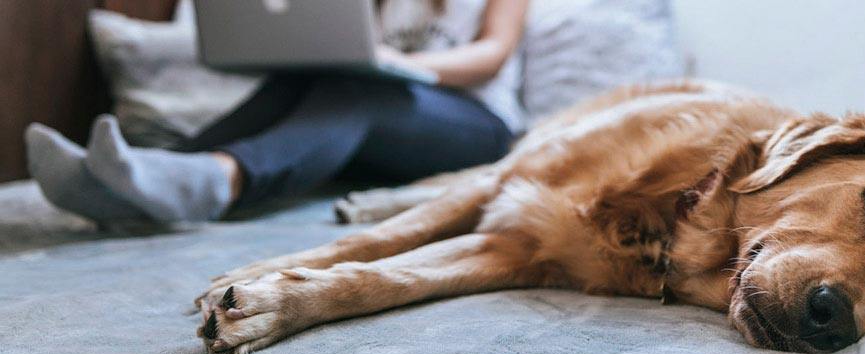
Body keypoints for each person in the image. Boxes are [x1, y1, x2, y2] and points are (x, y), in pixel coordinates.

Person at [25, 0, 528, 223]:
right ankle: (140, 179)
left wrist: (404, 64)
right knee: (311, 79)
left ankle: (219, 181)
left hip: (478, 126)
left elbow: (494, 53)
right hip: (391, 118)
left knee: (358, 93)